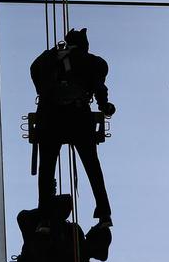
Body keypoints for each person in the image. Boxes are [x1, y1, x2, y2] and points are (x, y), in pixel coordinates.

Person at [30, 28, 115, 227]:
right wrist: (104, 105)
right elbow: (99, 85)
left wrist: (45, 91)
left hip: (50, 117)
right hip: (77, 116)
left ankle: (44, 217)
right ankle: (104, 212)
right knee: (92, 165)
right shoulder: (91, 61)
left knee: (47, 168)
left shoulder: (47, 58)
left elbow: (35, 72)